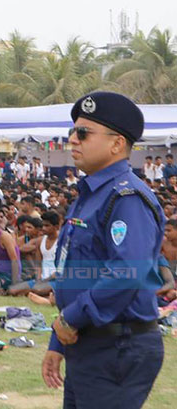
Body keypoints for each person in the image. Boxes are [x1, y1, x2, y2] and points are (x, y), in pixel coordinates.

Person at [41, 92, 164, 408]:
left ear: (116, 144)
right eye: (72, 131)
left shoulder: (126, 199)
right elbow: (74, 271)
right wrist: (59, 339)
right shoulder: (90, 194)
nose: (72, 139)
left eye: (83, 133)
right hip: (88, 340)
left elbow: (126, 274)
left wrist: (69, 320)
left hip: (117, 346)